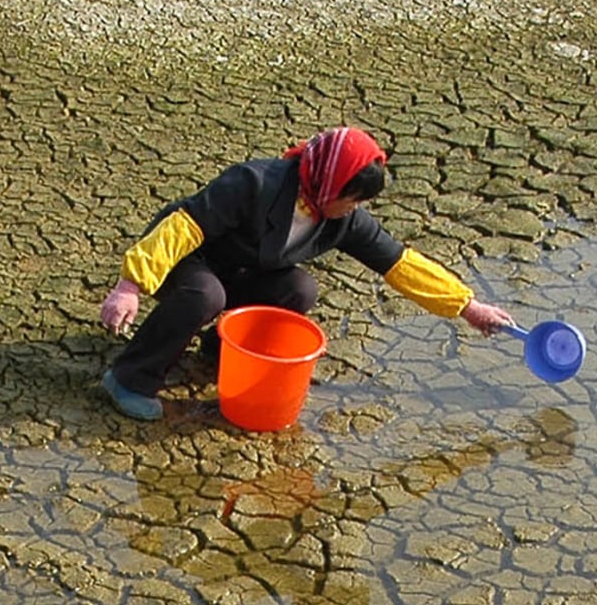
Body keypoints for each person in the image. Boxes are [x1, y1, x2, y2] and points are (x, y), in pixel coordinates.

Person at [97, 126, 515, 420]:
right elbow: (184, 226)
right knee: (206, 295)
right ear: (330, 181)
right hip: (185, 258)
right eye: (351, 198)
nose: (354, 209)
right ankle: (130, 378)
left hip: (241, 268)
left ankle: (222, 350)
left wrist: (467, 307)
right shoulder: (254, 184)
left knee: (298, 289)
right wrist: (131, 285)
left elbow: (400, 264)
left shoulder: (343, 219)